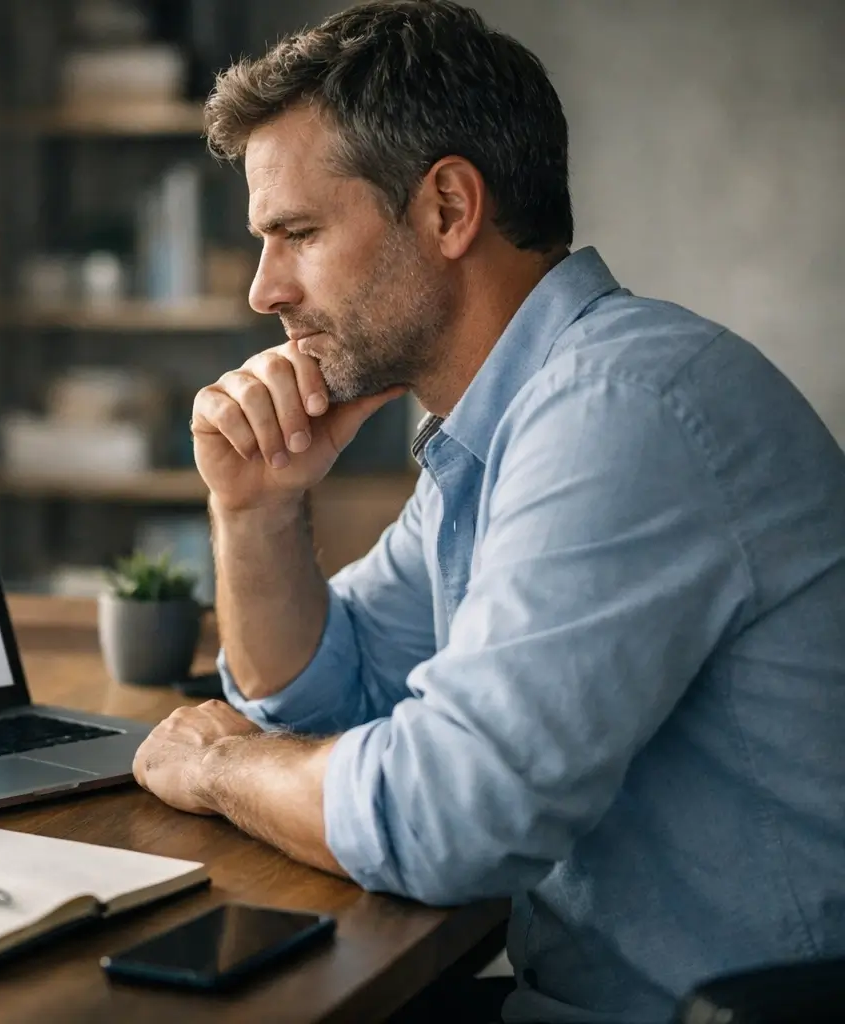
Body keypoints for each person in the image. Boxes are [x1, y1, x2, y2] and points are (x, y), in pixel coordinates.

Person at [128, 2, 845, 1021]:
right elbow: (329, 696)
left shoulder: (622, 410)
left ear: (450, 210)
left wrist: (221, 767)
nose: (261, 291)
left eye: (296, 233)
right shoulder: (505, 430)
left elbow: (447, 819)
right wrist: (253, 510)